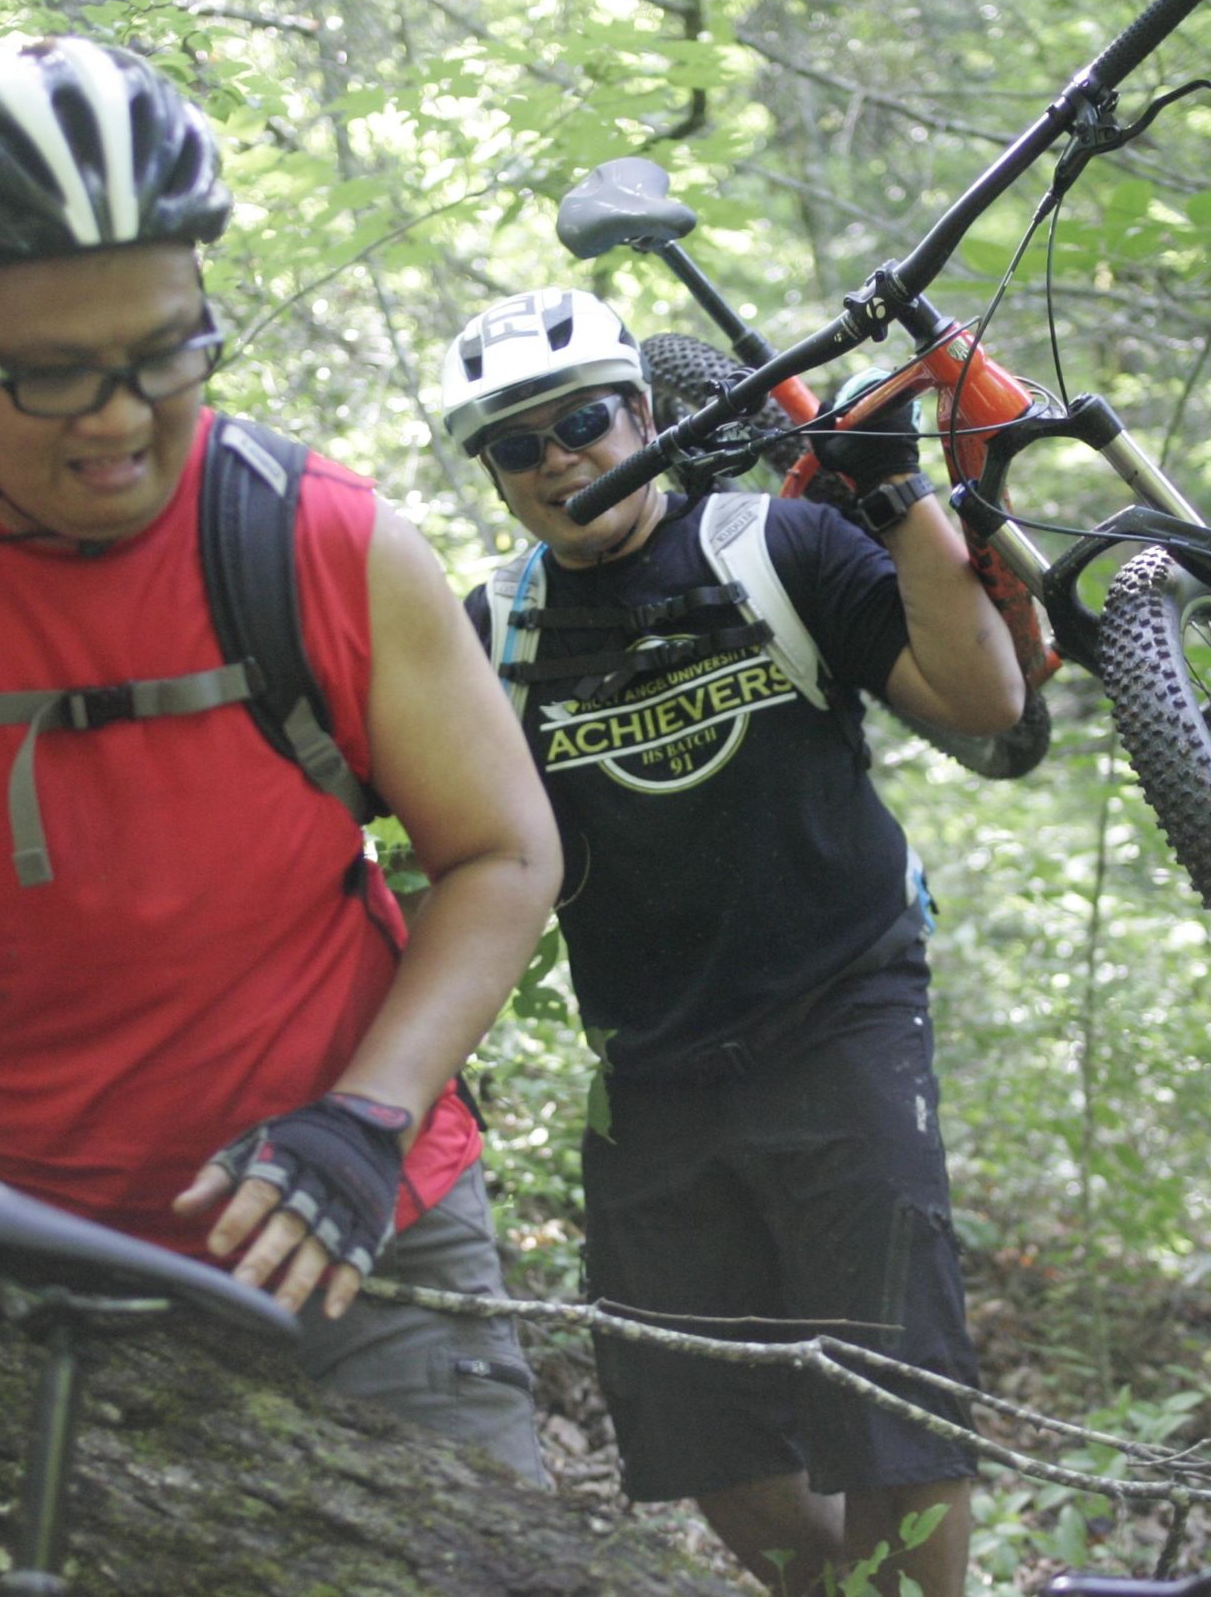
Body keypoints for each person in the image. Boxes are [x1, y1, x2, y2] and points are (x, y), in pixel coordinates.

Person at [0, 37, 558, 1483]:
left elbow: (503, 853)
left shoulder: (317, 539)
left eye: (166, 352)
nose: (123, 419)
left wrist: (365, 1119)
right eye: (56, 376)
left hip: (360, 1231)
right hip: (8, 1246)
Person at [436, 288, 1024, 1594]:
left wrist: (895, 504)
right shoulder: (492, 636)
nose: (559, 461)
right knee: (701, 1438)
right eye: (516, 447)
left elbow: (983, 700)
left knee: (897, 1400)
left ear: (642, 412)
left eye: (582, 422)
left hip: (842, 1009)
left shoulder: (776, 548)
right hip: (650, 1060)